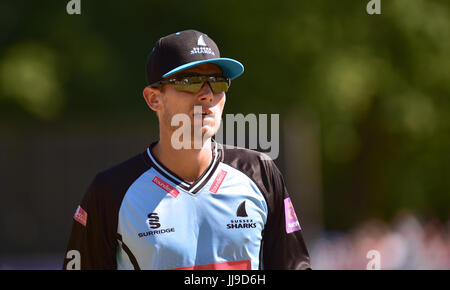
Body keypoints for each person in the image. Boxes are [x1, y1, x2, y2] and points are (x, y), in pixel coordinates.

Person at [62, 29, 311, 270]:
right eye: (190, 81)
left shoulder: (259, 173)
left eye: (217, 82)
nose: (207, 95)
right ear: (153, 98)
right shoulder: (111, 191)